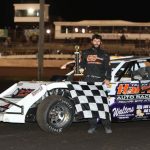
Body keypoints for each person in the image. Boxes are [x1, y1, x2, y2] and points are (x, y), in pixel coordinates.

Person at [79, 34, 112, 134]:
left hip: (100, 82)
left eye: (98, 41)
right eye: (95, 40)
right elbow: (82, 64)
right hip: (88, 82)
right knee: (90, 105)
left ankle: (107, 126)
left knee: (102, 105)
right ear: (92, 42)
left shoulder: (105, 54)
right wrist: (79, 67)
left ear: (100, 42)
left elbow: (108, 68)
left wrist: (108, 78)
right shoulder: (85, 53)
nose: (97, 42)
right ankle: (93, 126)